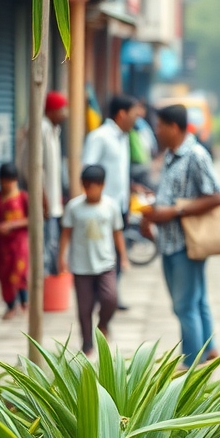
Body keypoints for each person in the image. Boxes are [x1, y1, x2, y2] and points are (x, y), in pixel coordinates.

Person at [141, 104, 220, 368]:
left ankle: (192, 363)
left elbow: (216, 196)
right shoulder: (170, 155)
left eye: (160, 126)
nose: (156, 131)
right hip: (169, 242)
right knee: (196, 299)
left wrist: (175, 210)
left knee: (184, 305)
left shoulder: (195, 155)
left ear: (174, 127)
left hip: (186, 242)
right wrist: (153, 208)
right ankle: (208, 348)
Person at [60, 165, 126, 356]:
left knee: (110, 298)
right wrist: (62, 257)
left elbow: (117, 233)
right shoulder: (74, 207)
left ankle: (103, 324)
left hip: (105, 262)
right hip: (81, 265)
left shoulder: (110, 206)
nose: (90, 190)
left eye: (94, 186)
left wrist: (123, 256)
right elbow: (66, 233)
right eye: (86, 185)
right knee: (84, 307)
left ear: (102, 185)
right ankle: (87, 343)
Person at [82, 94, 137, 308]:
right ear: (122, 114)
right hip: (102, 209)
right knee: (101, 253)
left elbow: (120, 172)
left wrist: (128, 198)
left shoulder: (123, 137)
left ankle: (112, 295)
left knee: (117, 253)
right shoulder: (100, 137)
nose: (136, 118)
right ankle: (99, 296)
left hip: (119, 206)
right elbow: (88, 169)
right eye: (134, 113)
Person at [19, 91, 69, 276]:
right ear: (52, 110)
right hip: (42, 203)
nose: (65, 114)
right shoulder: (40, 128)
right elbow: (31, 167)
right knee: (42, 250)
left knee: (49, 247)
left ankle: (46, 286)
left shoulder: (53, 130)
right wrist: (42, 197)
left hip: (52, 203)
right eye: (62, 110)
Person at [0, 163, 30, 320]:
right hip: (1, 245)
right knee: (4, 275)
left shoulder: (23, 198)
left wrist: (13, 224)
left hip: (19, 244)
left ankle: (24, 301)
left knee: (20, 273)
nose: (6, 185)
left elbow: (32, 218)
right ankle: (11, 305)